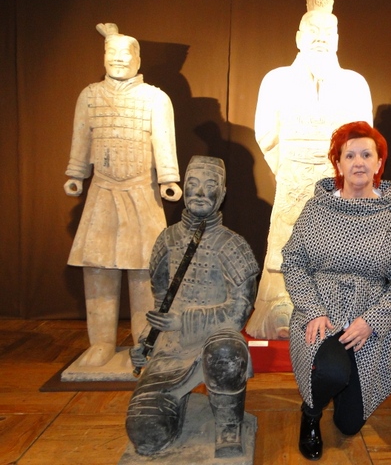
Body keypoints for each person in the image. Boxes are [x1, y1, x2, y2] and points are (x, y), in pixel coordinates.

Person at [281, 121, 391, 460]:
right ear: (338, 164)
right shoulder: (317, 210)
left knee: (349, 424)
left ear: (378, 163)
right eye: (350, 155)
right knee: (331, 371)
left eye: (366, 155)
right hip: (323, 313)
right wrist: (312, 310)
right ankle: (311, 412)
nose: (359, 162)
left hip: (367, 319)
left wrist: (372, 321)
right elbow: (293, 261)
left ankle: (340, 384)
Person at [245, 0, 373, 340]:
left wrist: (341, 174)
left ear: (337, 39)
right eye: (313, 32)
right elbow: (266, 133)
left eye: (328, 33)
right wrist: (289, 168)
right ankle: (280, 304)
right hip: (293, 178)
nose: (320, 39)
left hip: (336, 184)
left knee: (338, 246)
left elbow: (364, 141)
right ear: (299, 37)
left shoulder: (355, 84)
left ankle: (336, 310)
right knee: (287, 241)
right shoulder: (276, 80)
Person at [63, 23, 182, 367]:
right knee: (98, 267)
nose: (117, 59)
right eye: (111, 53)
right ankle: (100, 343)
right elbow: (81, 137)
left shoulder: (155, 98)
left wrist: (168, 179)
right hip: (102, 189)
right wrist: (76, 173)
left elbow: (163, 140)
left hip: (142, 190)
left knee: (144, 269)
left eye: (124, 54)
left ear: (137, 59)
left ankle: (144, 342)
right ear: (103, 57)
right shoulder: (89, 96)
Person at [126, 156, 259, 457]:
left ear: (222, 193)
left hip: (215, 340)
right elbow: (160, 303)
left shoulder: (233, 245)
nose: (199, 192)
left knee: (226, 351)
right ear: (184, 188)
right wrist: (146, 340)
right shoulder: (167, 240)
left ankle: (228, 426)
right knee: (147, 433)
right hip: (172, 349)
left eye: (209, 185)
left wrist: (182, 320)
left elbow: (238, 311)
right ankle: (175, 401)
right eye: (193, 184)